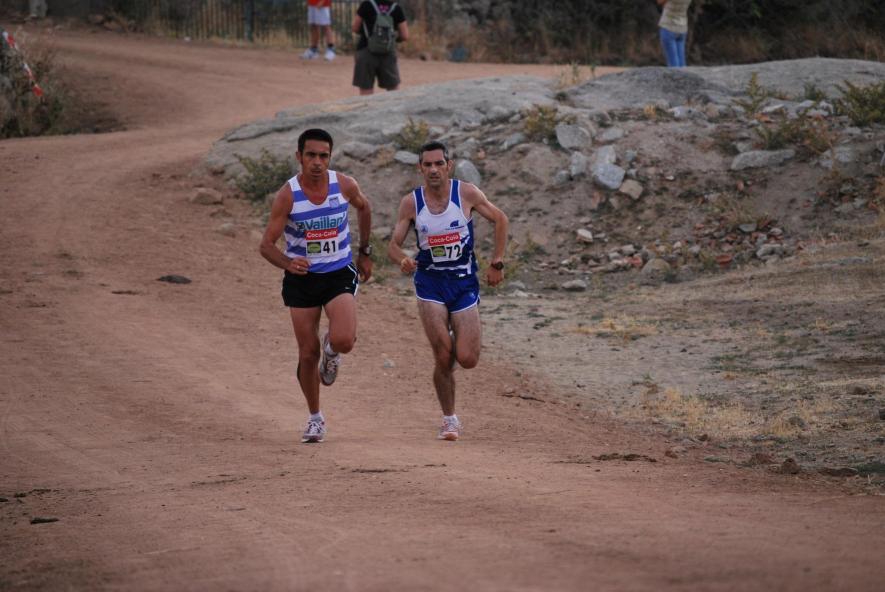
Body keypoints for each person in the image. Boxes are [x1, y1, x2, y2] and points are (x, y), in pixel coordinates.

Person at [387, 141, 509, 441]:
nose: (433, 170)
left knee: (467, 358)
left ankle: (456, 335)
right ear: (420, 168)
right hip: (430, 283)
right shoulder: (411, 203)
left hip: (463, 282)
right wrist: (403, 260)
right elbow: (393, 245)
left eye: (438, 163)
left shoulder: (465, 193)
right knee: (443, 355)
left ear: (448, 166)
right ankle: (449, 419)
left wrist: (497, 262)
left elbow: (500, 219)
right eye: (427, 165)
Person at [259, 128, 373, 443]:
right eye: (311, 155)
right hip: (303, 280)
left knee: (344, 339)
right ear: (299, 156)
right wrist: (287, 263)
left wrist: (365, 252)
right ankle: (315, 418)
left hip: (338, 273)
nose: (317, 162)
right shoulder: (288, 195)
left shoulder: (344, 185)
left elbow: (364, 208)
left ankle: (332, 350)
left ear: (330, 157)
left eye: (323, 156)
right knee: (307, 353)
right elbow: (266, 245)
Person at [351, 0, 409, 95]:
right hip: (388, 52)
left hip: (366, 50)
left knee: (366, 90)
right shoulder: (396, 8)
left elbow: (355, 28)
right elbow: (405, 35)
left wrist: (368, 35)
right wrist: (393, 39)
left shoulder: (367, 5)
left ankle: (368, 105)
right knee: (393, 90)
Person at [657, 0, 692, 68]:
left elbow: (659, 1)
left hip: (669, 26)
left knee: (673, 63)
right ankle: (684, 75)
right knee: (681, 62)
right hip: (682, 28)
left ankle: (675, 75)